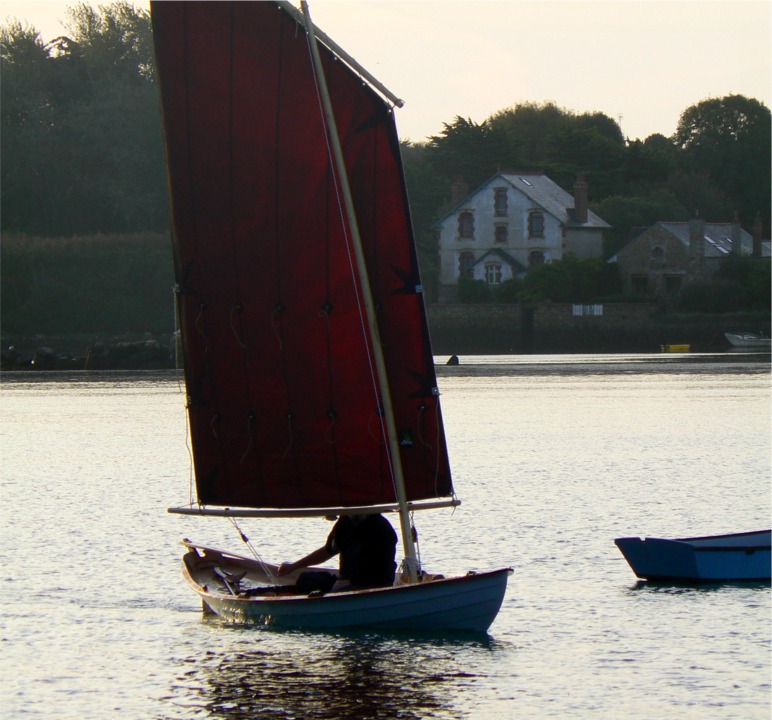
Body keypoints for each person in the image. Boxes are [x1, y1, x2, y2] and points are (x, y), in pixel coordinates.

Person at [278, 513, 398, 592]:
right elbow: (328, 551)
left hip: (373, 583)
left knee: (342, 590)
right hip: (344, 580)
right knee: (305, 579)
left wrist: (351, 581)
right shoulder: (345, 522)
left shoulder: (381, 528)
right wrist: (294, 566)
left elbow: (382, 568)